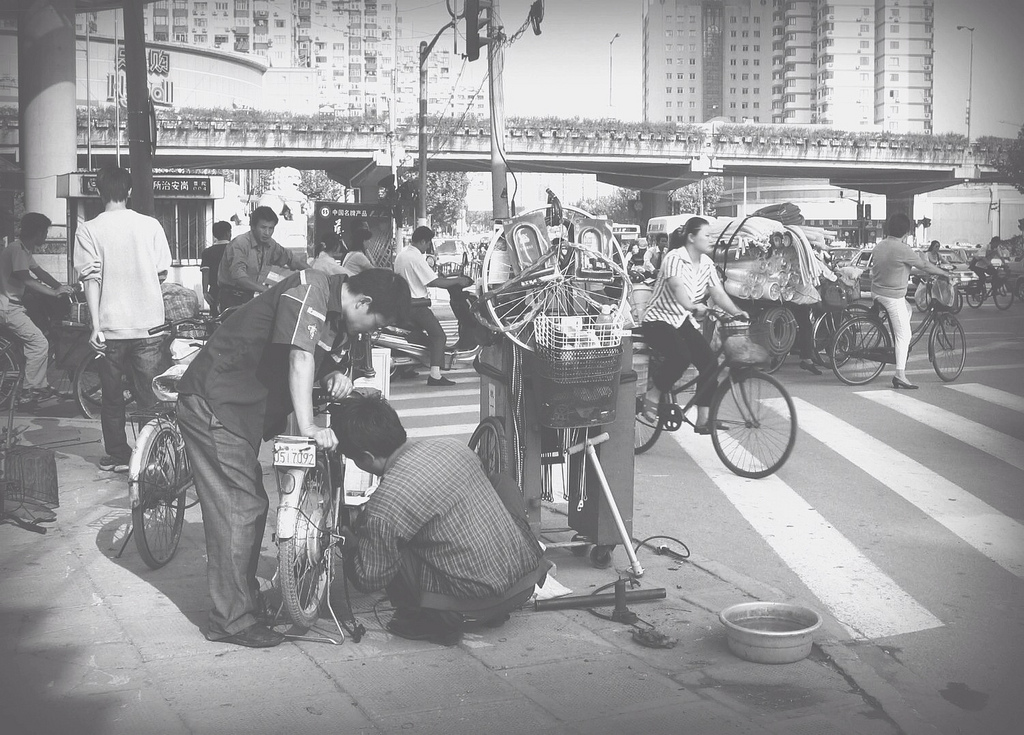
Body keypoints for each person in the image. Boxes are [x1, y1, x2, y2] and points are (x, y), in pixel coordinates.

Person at [176, 267, 410, 648]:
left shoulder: (335, 313)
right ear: (363, 302)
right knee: (241, 508)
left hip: (241, 413)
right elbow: (300, 358)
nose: (368, 332)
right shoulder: (311, 289)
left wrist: (334, 373)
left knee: (247, 506)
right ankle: (230, 621)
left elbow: (314, 356)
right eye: (373, 323)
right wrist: (310, 428)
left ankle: (242, 604)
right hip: (217, 404)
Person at [333, 392, 550, 646]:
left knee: (388, 547)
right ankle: (495, 602)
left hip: (466, 608)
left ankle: (432, 622)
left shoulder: (386, 503)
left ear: (367, 457)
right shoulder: (454, 446)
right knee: (500, 483)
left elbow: (370, 578)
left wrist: (351, 548)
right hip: (524, 587)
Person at [74, 166, 172, 473]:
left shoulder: (88, 229)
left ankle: (117, 454)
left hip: (111, 328)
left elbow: (91, 279)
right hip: (149, 324)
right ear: (129, 191)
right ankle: (152, 456)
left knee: (112, 395)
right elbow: (161, 272)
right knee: (148, 395)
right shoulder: (150, 225)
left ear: (99, 192)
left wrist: (95, 325)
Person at [640, 217, 748, 433]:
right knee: (681, 356)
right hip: (658, 321)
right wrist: (691, 306)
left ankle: (703, 419)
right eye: (706, 235)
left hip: (682, 321)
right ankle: (654, 392)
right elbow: (677, 286)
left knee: (709, 363)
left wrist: (737, 312)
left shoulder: (707, 263)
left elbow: (717, 293)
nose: (710, 239)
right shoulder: (674, 258)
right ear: (691, 237)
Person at [0, 212, 74, 407]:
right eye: (45, 232)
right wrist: (54, 293)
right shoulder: (17, 250)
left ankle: (37, 383)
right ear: (38, 232)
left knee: (37, 337)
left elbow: (41, 273)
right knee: (39, 343)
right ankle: (30, 389)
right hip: (8, 308)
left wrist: (63, 288)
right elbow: (27, 279)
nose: (46, 236)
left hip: (14, 306)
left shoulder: (24, 250)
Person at [870, 213, 950, 390]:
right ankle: (900, 375)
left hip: (876, 292)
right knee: (904, 335)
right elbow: (925, 265)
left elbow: (895, 267)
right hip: (892, 297)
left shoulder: (880, 246)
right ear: (906, 231)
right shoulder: (903, 249)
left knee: (907, 310)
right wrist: (943, 273)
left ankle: (900, 341)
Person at [393, 225, 473, 386]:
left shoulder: (402, 255)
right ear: (423, 241)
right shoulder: (415, 258)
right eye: (428, 243)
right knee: (439, 336)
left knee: (415, 337)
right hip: (417, 306)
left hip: (403, 304)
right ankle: (435, 375)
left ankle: (407, 369)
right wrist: (458, 280)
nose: (428, 246)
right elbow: (434, 281)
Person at [217, 206, 308, 312]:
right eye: (263, 227)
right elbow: (239, 277)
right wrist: (267, 290)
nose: (267, 233)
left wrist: (314, 272)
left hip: (249, 295)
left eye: (271, 228)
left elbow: (291, 259)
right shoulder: (240, 244)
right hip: (231, 297)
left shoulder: (271, 244)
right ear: (253, 226)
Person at [200, 221, 231, 315]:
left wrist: (205, 292)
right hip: (232, 290)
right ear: (228, 233)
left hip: (214, 290)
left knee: (215, 318)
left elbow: (205, 272)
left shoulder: (207, 252)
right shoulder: (234, 249)